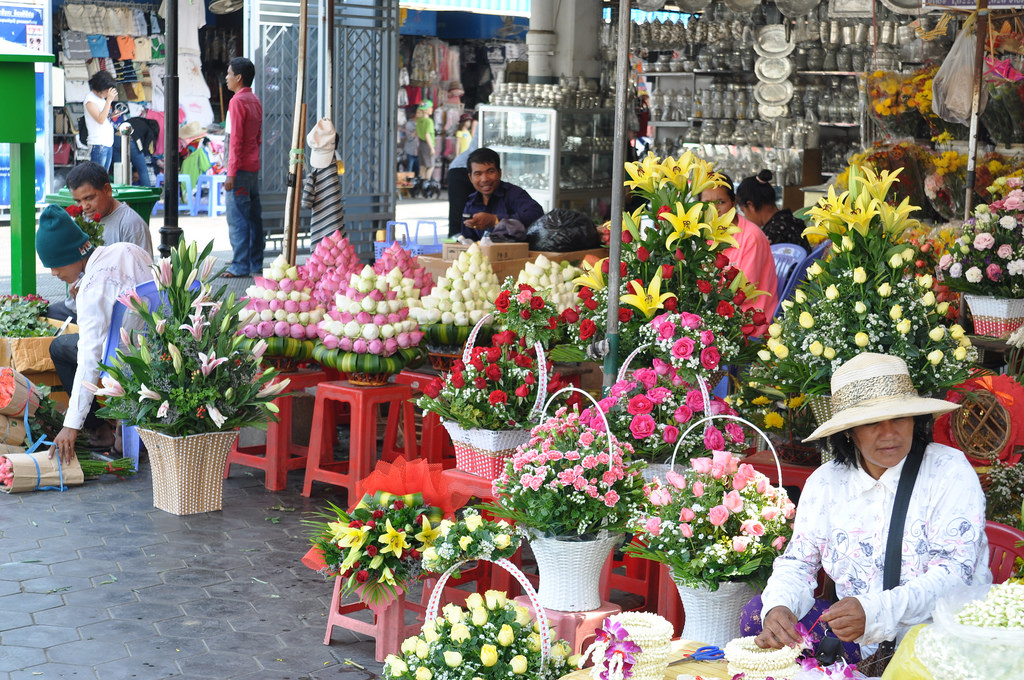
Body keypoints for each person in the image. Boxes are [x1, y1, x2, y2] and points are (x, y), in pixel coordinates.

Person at [746, 352, 990, 666]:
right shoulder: (825, 483)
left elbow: (955, 576)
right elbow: (798, 563)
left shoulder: (949, 472)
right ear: (848, 431)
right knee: (757, 616)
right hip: (857, 641)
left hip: (940, 636)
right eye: (872, 422)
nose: (889, 434)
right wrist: (779, 608)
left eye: (899, 418)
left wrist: (876, 611)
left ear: (915, 420)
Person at [36, 205, 154, 462]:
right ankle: (122, 432)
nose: (54, 273)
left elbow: (90, 359)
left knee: (59, 347)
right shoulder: (128, 250)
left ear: (72, 253)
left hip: (122, 359)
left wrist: (71, 425)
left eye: (55, 265)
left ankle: (99, 430)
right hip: (156, 347)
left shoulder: (91, 289)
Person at [46, 162, 154, 324]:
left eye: (89, 198)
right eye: (78, 201)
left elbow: (144, 280)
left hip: (110, 314)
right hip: (78, 306)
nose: (84, 206)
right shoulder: (83, 219)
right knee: (42, 318)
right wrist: (74, 281)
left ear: (107, 190)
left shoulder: (131, 224)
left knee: (60, 345)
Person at [701, 173, 777, 323]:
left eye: (721, 202)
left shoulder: (751, 237)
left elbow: (743, 292)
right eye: (707, 204)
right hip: (717, 314)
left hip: (749, 320)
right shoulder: (703, 234)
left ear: (734, 202)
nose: (714, 209)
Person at [222, 57, 264, 279]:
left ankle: (240, 265)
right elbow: (257, 138)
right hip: (251, 167)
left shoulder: (237, 101)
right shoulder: (254, 100)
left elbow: (236, 140)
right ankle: (255, 262)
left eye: (229, 73)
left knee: (237, 217)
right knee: (252, 217)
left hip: (238, 170)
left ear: (238, 77)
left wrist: (230, 173)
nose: (226, 78)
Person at [461, 147, 544, 242]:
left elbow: (536, 214)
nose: (484, 179)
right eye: (478, 174)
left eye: (490, 172)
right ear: (470, 177)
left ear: (499, 173)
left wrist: (496, 220)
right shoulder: (471, 203)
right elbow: (467, 238)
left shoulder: (513, 194)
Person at [736, 169, 809, 249]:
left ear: (750, 205)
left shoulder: (772, 233)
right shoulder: (794, 221)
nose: (746, 217)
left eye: (743, 211)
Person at [446, 122, 479, 237]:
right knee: (460, 213)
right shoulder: (485, 123)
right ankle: (455, 244)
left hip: (475, 168)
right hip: (461, 169)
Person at [84, 72, 118, 171]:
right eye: (108, 90)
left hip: (107, 142)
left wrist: (113, 115)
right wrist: (109, 101)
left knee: (103, 176)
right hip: (98, 143)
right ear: (101, 88)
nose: (109, 93)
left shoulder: (101, 99)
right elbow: (100, 119)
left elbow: (104, 117)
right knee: (98, 177)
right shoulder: (90, 99)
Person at [415, 99, 436, 182]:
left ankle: (419, 183)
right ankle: (426, 185)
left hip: (421, 144)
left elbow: (416, 133)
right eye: (431, 107)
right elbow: (427, 135)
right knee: (431, 166)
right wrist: (432, 148)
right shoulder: (429, 121)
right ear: (426, 109)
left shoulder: (419, 121)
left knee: (423, 165)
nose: (432, 109)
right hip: (428, 145)